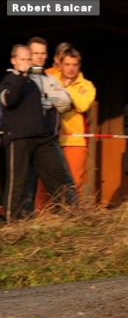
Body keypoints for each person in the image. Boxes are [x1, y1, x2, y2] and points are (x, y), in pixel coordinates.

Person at [0, 45, 70, 222]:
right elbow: (8, 100)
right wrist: (21, 77)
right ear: (13, 61)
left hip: (41, 137)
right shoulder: (9, 80)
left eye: (28, 59)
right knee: (18, 180)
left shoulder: (33, 83)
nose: (27, 62)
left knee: (56, 173)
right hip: (18, 138)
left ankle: (67, 213)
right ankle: (11, 219)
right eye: (23, 59)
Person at [26, 37, 77, 210]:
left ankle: (74, 214)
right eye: (36, 53)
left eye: (42, 53)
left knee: (63, 177)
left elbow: (65, 103)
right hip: (25, 138)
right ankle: (23, 217)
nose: (40, 56)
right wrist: (48, 99)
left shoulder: (51, 78)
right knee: (27, 182)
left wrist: (45, 98)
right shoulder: (21, 78)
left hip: (48, 138)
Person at [53, 48, 97, 198]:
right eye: (67, 64)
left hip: (76, 141)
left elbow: (83, 105)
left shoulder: (87, 85)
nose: (71, 68)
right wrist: (72, 98)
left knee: (74, 182)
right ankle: (42, 212)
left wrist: (65, 91)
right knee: (44, 183)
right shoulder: (50, 80)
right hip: (51, 138)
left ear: (79, 66)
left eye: (74, 64)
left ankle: (74, 212)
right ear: (60, 65)